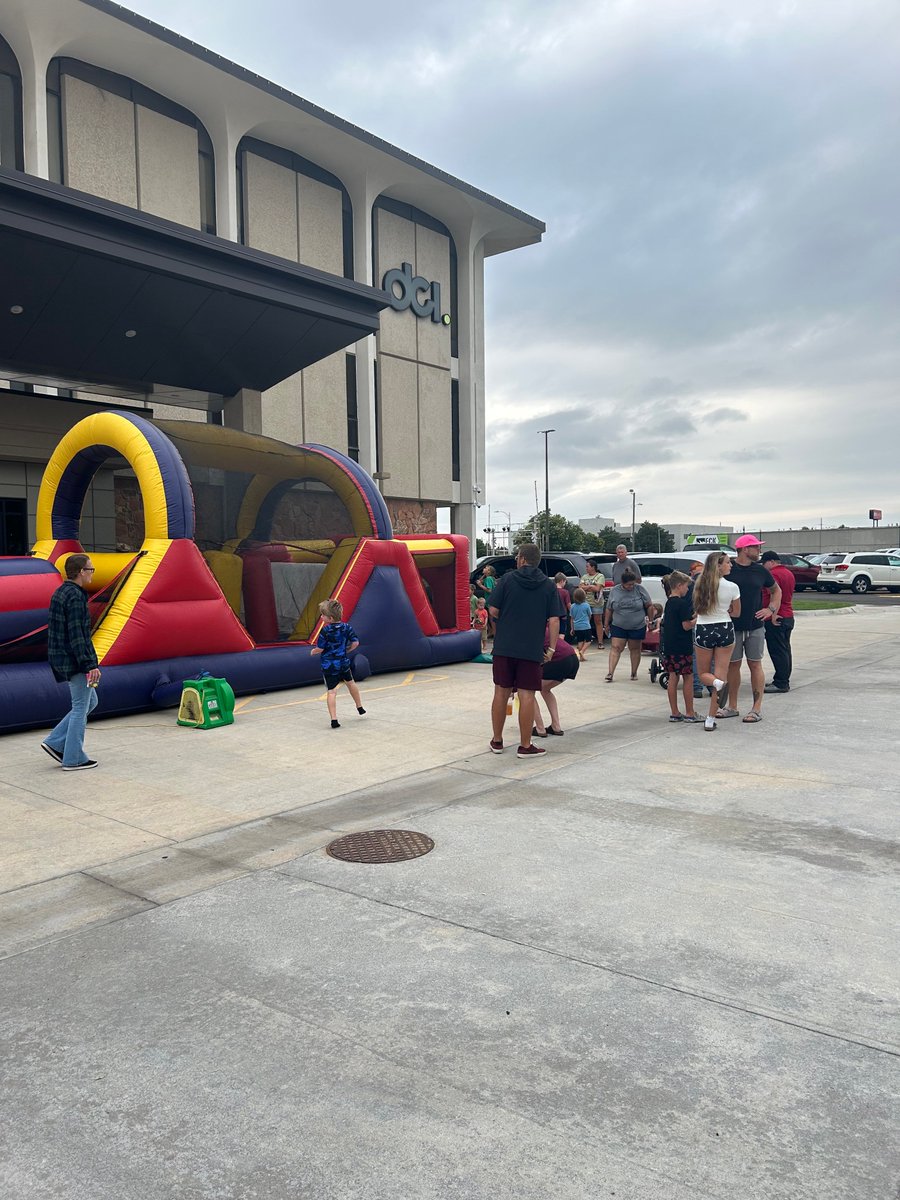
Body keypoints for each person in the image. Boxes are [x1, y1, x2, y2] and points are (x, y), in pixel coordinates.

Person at [488, 543, 562, 759]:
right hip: (531, 648)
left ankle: (497, 740)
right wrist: (551, 648)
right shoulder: (548, 586)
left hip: (504, 646)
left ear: (521, 559)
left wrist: (508, 620)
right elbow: (555, 619)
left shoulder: (508, 579)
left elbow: (492, 609)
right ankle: (525, 745)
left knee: (501, 692)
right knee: (527, 694)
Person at [41, 553, 101, 770]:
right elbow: (78, 635)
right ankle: (73, 758)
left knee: (90, 702)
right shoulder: (76, 597)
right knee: (79, 708)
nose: (92, 573)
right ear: (81, 572)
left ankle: (56, 742)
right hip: (74, 660)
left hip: (62, 657)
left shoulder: (61, 592)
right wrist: (90, 665)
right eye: (90, 569)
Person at [718, 535, 781, 724]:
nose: (759, 550)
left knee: (755, 664)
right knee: (733, 666)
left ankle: (756, 709)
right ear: (745, 549)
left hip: (755, 626)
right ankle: (732, 706)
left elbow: (776, 590)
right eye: (756, 547)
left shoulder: (760, 571)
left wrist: (770, 609)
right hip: (732, 627)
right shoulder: (728, 568)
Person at [693, 553, 741, 731]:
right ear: (719, 566)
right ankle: (710, 718)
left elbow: (697, 609)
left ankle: (717, 683)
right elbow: (736, 613)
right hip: (725, 628)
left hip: (704, 628)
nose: (731, 565)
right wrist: (726, 607)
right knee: (721, 672)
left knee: (704, 673)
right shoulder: (733, 587)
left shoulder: (700, 583)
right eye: (728, 563)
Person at [310, 598, 366, 728]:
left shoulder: (325, 631)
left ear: (329, 618)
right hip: (343, 662)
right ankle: (359, 706)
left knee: (332, 691)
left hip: (329, 665)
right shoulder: (347, 627)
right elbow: (355, 643)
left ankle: (334, 720)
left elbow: (321, 648)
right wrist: (347, 650)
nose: (321, 617)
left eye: (323, 615)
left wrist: (314, 651)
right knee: (351, 683)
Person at [660, 571, 699, 722]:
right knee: (688, 677)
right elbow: (686, 626)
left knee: (673, 677)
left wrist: (692, 617)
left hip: (670, 646)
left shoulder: (669, 603)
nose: (688, 590)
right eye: (686, 587)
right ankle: (690, 712)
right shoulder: (682, 604)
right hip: (683, 646)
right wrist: (698, 619)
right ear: (679, 586)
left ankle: (675, 712)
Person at [603, 569, 652, 682]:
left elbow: (649, 605)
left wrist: (650, 620)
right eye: (629, 584)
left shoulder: (640, 590)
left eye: (632, 584)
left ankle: (633, 672)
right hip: (618, 625)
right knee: (616, 647)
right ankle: (610, 673)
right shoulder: (615, 591)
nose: (631, 586)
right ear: (623, 583)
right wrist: (606, 624)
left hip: (637, 625)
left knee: (634, 649)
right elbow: (609, 609)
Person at [532, 625, 579, 737]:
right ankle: (556, 726)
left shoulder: (528, 631)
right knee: (545, 689)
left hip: (559, 659)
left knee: (526, 690)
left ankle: (540, 728)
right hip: (572, 658)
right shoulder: (541, 627)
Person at [761, 550, 795, 693]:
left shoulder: (773, 575)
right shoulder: (788, 573)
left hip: (777, 617)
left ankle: (781, 682)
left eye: (764, 564)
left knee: (777, 651)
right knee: (785, 650)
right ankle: (783, 679)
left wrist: (773, 613)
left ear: (771, 562)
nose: (763, 567)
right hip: (788, 615)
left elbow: (775, 595)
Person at [578, 561, 606, 647]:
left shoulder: (600, 576)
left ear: (593, 567)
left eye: (588, 567)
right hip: (585, 602)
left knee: (598, 621)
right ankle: (585, 640)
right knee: (585, 621)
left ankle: (600, 642)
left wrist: (587, 587)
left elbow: (597, 588)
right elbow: (580, 587)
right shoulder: (584, 576)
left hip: (596, 602)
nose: (586, 568)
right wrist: (591, 587)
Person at [569, 587, 593, 661]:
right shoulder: (586, 605)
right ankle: (582, 651)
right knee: (589, 640)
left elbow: (572, 618)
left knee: (580, 641)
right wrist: (588, 621)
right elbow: (590, 615)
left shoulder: (572, 606)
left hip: (577, 627)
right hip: (585, 626)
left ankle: (581, 656)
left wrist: (572, 628)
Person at [554, 572, 572, 640]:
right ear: (562, 581)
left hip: (553, 615)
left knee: (553, 633)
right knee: (561, 634)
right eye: (565, 582)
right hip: (563, 616)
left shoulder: (551, 591)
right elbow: (568, 604)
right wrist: (572, 612)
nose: (565, 584)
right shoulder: (565, 592)